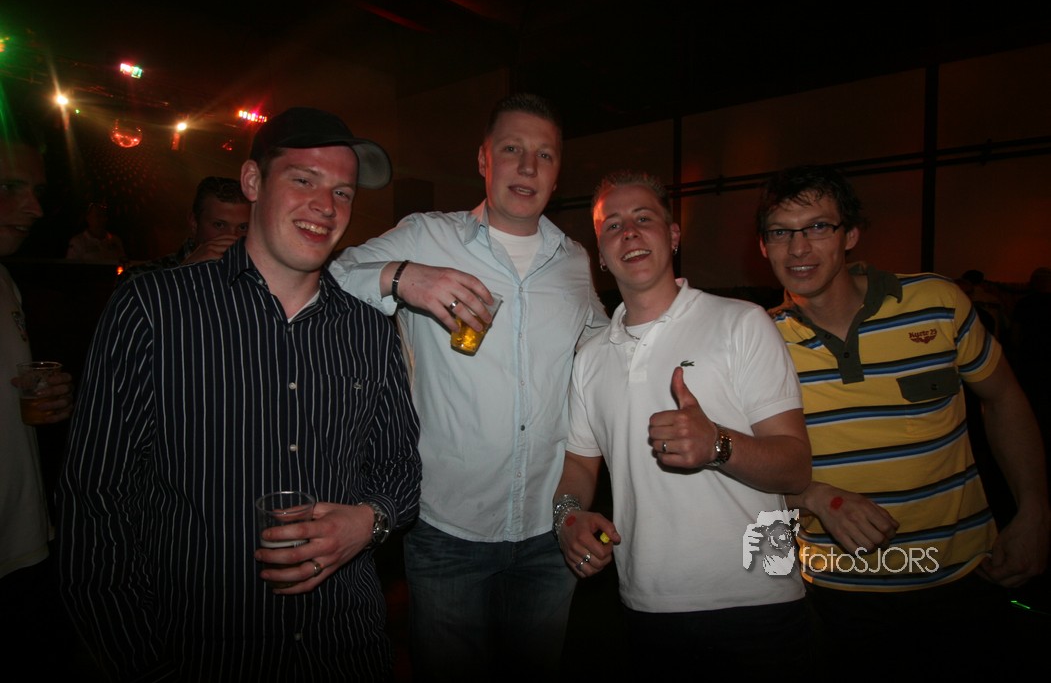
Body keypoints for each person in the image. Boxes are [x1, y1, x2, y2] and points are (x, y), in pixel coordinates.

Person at [57, 107, 422, 681]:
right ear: (253, 181)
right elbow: (95, 503)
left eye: (342, 192)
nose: (326, 206)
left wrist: (369, 521)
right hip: (203, 655)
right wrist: (139, 663)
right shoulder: (154, 310)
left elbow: (401, 466)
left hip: (345, 649)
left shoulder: (369, 330)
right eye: (303, 180)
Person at [329, 93, 608, 681]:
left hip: (550, 533)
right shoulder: (427, 235)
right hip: (447, 531)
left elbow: (604, 353)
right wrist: (405, 277)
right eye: (512, 149)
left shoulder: (574, 262)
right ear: (484, 159)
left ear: (557, 173)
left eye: (544, 155)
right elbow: (331, 276)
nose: (527, 167)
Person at [756, 164, 1050, 667]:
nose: (798, 248)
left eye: (818, 227)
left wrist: (1034, 510)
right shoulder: (757, 341)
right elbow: (744, 465)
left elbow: (1003, 399)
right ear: (763, 247)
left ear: (850, 234)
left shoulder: (937, 303)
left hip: (963, 581)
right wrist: (815, 496)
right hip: (835, 594)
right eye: (780, 232)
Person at [552, 171, 812, 675]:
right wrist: (567, 517)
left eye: (643, 218)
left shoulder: (742, 323)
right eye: (613, 225)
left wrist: (718, 444)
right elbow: (579, 468)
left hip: (759, 600)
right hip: (646, 605)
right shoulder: (590, 357)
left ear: (673, 236)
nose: (629, 232)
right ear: (601, 255)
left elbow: (796, 467)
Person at [0, 114, 76, 673]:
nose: (33, 208)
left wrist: (50, 396)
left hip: (23, 535)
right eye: (9, 187)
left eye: (37, 191)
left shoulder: (6, 282)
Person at [119, 175, 250, 283]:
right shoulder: (141, 278)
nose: (232, 236)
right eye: (219, 225)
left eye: (243, 227)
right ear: (194, 222)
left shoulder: (253, 278)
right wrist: (183, 273)